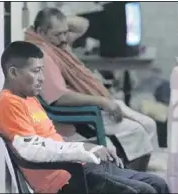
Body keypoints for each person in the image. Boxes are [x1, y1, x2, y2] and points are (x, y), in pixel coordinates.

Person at [0, 41, 170, 193]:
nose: (42, 78)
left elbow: (52, 141)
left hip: (77, 167)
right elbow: (32, 150)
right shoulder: (9, 104)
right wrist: (84, 151)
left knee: (158, 183)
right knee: (145, 191)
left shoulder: (29, 98)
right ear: (14, 73)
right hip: (65, 179)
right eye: (36, 71)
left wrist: (88, 147)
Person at [24, 8, 159, 169]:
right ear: (41, 32)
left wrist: (60, 22)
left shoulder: (55, 44)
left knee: (149, 125)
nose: (64, 39)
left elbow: (83, 25)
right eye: (58, 34)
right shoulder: (43, 54)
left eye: (65, 33)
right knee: (138, 131)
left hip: (94, 103)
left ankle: (141, 175)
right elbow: (60, 97)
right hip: (84, 110)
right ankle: (134, 179)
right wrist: (102, 102)